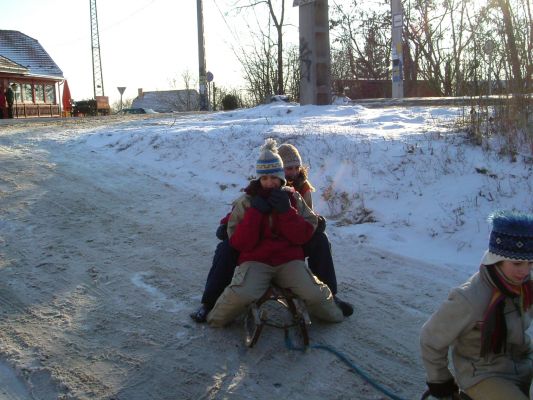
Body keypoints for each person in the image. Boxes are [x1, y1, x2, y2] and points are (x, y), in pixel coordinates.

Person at [190, 142, 353, 322]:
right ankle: (210, 303)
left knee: (320, 240)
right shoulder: (251, 198)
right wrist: (248, 216)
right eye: (265, 178)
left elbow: (306, 221)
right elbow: (239, 224)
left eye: (295, 168)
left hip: (288, 251)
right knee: (226, 248)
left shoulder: (298, 193)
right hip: (257, 255)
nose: (270, 183)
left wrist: (294, 214)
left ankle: (330, 298)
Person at [420, 210, 533, 400]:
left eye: (530, 263)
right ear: (497, 259)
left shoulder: (526, 286)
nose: (524, 271)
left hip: (523, 362)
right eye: (517, 263)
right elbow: (431, 338)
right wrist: (440, 380)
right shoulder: (469, 298)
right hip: (484, 374)